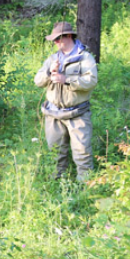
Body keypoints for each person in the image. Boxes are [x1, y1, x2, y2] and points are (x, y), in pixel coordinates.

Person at [34, 21, 98, 180]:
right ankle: (56, 187)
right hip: (53, 114)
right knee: (55, 154)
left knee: (82, 154)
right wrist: (50, 72)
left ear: (68, 36)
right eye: (54, 40)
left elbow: (91, 81)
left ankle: (85, 190)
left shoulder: (85, 57)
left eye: (57, 39)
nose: (55, 42)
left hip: (78, 114)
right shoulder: (52, 59)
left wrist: (66, 79)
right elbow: (37, 81)